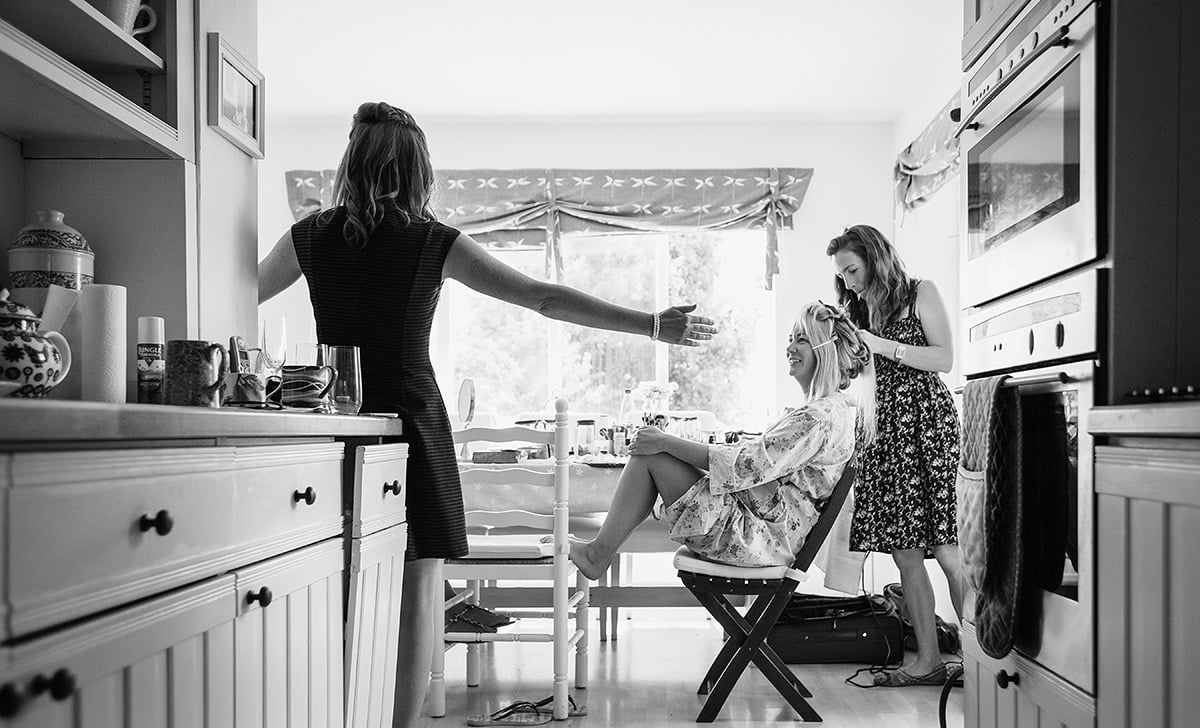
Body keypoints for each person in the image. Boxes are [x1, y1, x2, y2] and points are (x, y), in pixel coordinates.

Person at [257, 101, 717, 728]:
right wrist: (653, 325)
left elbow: (237, 287)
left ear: (351, 161)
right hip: (413, 424)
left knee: (333, 585)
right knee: (420, 589)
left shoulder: (309, 235)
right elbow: (543, 298)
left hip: (336, 426)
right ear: (418, 169)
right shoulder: (430, 240)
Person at [570, 301, 875, 581]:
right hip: (768, 534)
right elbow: (757, 463)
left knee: (651, 455)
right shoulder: (829, 411)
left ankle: (597, 554)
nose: (790, 347)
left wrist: (665, 441)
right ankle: (599, 552)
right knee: (657, 451)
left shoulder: (817, 418)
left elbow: (744, 465)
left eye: (802, 339)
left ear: (826, 351)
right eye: (791, 338)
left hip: (758, 538)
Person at [826, 224, 963, 687]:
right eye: (841, 275)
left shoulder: (921, 292)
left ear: (875, 257)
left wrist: (882, 344)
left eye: (851, 269)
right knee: (906, 554)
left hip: (930, 428)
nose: (847, 281)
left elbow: (943, 359)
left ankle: (981, 660)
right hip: (886, 433)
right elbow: (857, 378)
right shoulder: (857, 310)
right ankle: (927, 661)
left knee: (948, 551)